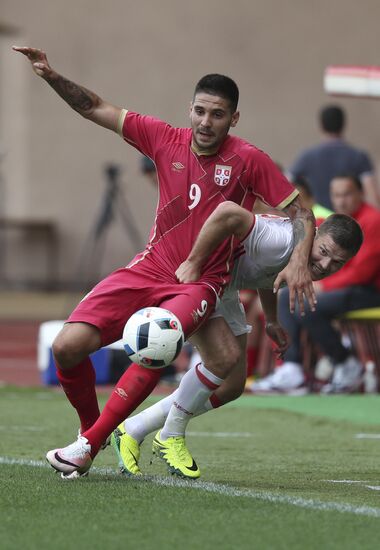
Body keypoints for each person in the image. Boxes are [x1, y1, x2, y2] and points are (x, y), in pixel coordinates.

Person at [14, 46, 316, 479]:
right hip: (150, 266)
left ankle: (89, 446)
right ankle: (90, 432)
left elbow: (301, 213)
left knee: (161, 342)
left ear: (234, 119)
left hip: (202, 283)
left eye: (217, 114)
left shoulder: (248, 159)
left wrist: (302, 261)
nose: (206, 122)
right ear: (189, 110)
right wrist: (50, 75)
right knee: (66, 347)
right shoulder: (162, 137)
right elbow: (96, 107)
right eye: (200, 111)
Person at [110, 204, 362, 478]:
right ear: (314, 234)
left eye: (337, 262)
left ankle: (131, 429)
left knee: (231, 386)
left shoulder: (299, 257)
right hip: (200, 276)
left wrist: (272, 319)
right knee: (223, 358)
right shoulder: (281, 240)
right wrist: (194, 262)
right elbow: (227, 212)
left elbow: (267, 273)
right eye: (324, 252)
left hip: (224, 285)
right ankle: (169, 433)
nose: (325, 265)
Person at [272, 174, 380, 394]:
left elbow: (362, 273)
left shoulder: (374, 220)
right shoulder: (332, 222)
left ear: (361, 193)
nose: (341, 201)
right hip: (345, 289)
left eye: (347, 194)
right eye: (336, 195)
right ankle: (292, 368)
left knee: (310, 303)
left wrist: (324, 286)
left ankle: (345, 362)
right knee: (286, 295)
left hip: (370, 291)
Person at [288, 105, 379, 209]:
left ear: (321, 126)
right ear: (344, 124)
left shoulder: (307, 157)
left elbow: (285, 184)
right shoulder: (359, 156)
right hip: (350, 221)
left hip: (320, 220)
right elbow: (372, 197)